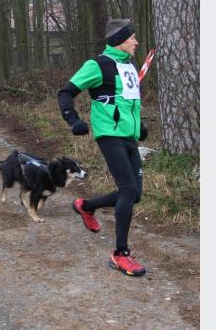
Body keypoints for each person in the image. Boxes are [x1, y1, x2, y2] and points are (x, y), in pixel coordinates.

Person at [57, 19, 149, 277]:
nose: (136, 42)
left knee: (135, 194)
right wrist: (73, 119)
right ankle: (120, 254)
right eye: (132, 38)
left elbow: (129, 101)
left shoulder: (128, 66)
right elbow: (65, 93)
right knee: (128, 190)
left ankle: (86, 205)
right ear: (120, 40)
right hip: (109, 134)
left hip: (128, 135)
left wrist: (139, 126)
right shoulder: (97, 65)